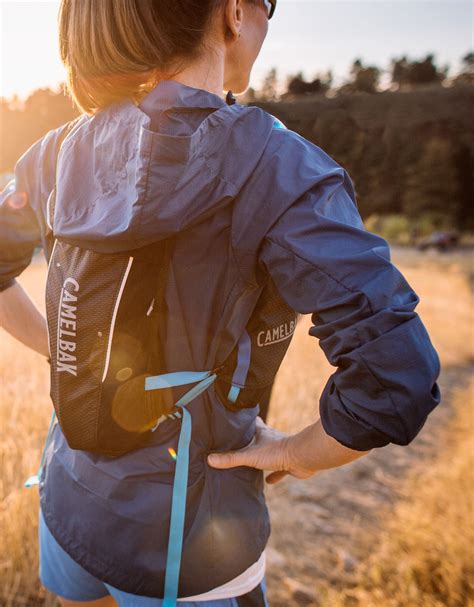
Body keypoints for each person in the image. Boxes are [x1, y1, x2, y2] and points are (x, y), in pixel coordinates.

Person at [0, 0, 441, 605]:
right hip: (189, 548)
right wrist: (295, 452)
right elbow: (397, 376)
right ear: (235, 11)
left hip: (68, 502)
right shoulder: (278, 165)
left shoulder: (56, 151)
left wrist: (65, 348)